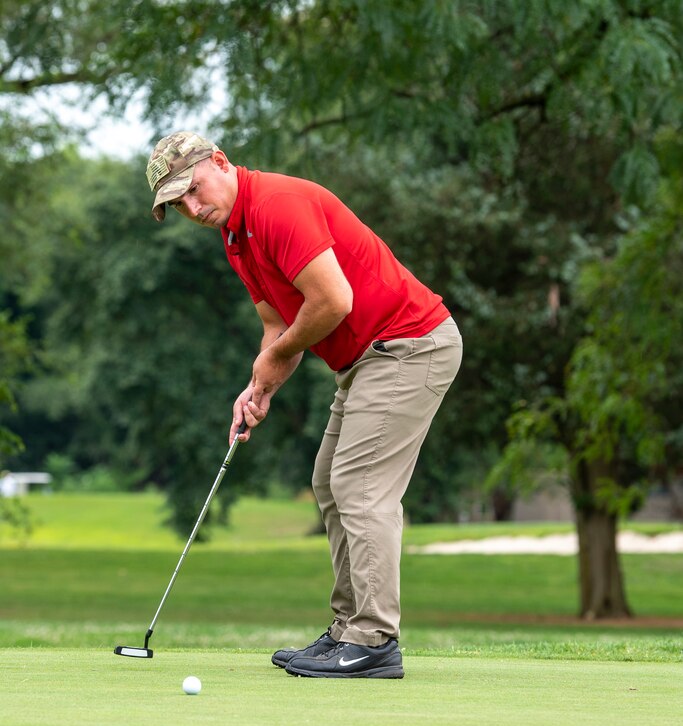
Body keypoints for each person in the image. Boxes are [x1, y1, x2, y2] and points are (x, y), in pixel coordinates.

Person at [146, 131, 463, 678]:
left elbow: (333, 302)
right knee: (330, 483)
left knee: (360, 486)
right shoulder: (236, 238)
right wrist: (260, 386)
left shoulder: (275, 206)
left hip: (409, 346)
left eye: (194, 190)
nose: (194, 208)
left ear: (221, 162)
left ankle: (374, 640)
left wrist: (275, 359)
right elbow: (277, 326)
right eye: (180, 204)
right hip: (368, 359)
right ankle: (348, 630)